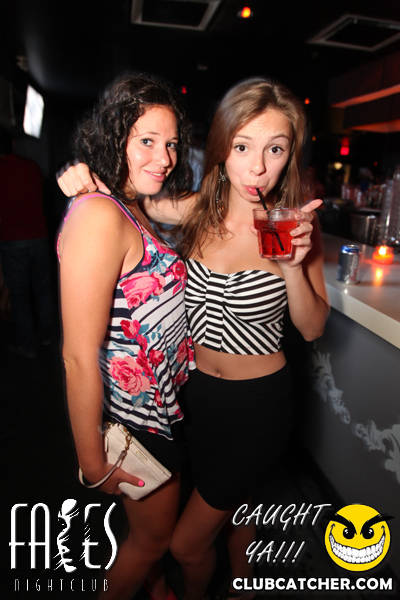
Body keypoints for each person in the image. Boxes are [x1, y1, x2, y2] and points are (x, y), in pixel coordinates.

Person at [58, 77, 329, 600]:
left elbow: (312, 326)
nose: (257, 167)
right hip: (195, 400)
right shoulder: (197, 211)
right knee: (232, 507)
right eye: (243, 147)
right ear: (222, 149)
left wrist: (294, 268)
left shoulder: (292, 225)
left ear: (290, 156)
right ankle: (244, 585)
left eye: (275, 149)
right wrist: (82, 176)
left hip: (258, 407)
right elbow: (130, 201)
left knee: (186, 544)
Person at [57, 74, 195, 600]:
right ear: (114, 138)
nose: (164, 157)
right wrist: (93, 463)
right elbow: (77, 355)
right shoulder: (99, 213)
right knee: (151, 543)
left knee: (145, 539)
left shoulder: (134, 203)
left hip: (162, 406)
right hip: (138, 419)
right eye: (147, 141)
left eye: (172, 144)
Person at [0, 127, 54, 357]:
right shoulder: (32, 168)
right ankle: (48, 336)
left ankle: (28, 345)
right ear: (12, 144)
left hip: (12, 239)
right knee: (43, 290)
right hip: (39, 236)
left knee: (19, 296)